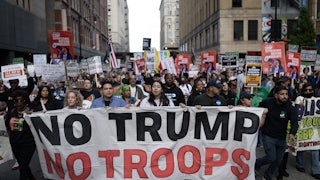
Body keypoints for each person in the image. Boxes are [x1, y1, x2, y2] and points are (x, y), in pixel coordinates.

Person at [255, 86, 298, 180]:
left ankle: (267, 175)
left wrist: (292, 133)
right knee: (271, 157)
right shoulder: (267, 102)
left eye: (286, 94)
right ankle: (256, 163)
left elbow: (295, 122)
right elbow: (257, 111)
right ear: (276, 95)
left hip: (282, 137)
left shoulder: (290, 107)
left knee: (278, 160)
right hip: (268, 135)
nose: (285, 96)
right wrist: (263, 113)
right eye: (282, 94)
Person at [5, 90, 35, 180]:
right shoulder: (11, 112)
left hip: (28, 144)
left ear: (25, 101)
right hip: (15, 143)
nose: (19, 103)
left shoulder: (30, 112)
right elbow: (7, 125)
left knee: (23, 166)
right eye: (16, 100)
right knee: (23, 165)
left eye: (21, 100)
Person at [294, 83, 320, 179]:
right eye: (306, 90)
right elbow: (297, 112)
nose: (308, 92)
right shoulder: (299, 98)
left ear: (313, 90)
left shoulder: (316, 99)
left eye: (310, 90)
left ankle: (316, 171)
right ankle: (299, 164)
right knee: (301, 147)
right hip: (302, 128)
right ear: (303, 91)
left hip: (314, 129)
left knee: (315, 149)